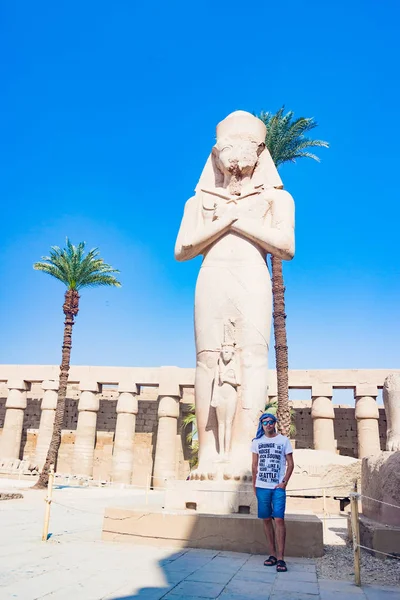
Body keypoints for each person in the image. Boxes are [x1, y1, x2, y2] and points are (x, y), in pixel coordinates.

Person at [251, 412, 294, 572]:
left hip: (277, 487)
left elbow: (290, 464)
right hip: (262, 486)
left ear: (275, 423)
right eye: (265, 422)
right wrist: (254, 486)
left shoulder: (283, 440)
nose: (268, 424)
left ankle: (281, 558)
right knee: (266, 520)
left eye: (271, 421)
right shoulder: (257, 442)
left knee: (279, 520)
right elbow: (254, 465)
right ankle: (272, 554)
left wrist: (284, 483)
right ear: (261, 424)